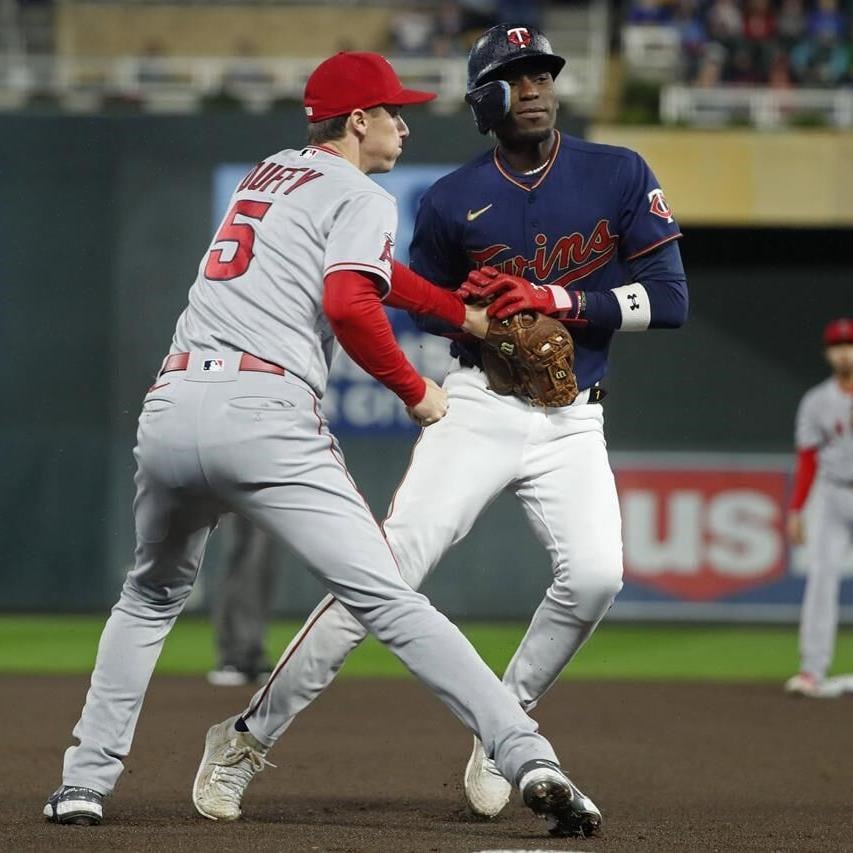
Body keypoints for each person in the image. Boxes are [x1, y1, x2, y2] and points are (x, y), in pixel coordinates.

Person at [43, 51, 594, 839]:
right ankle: (525, 751)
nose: (403, 123)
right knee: (389, 599)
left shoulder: (268, 174)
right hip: (264, 414)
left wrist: (463, 318)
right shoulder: (361, 191)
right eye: (392, 111)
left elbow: (374, 277)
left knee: (149, 596)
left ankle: (82, 783)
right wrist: (414, 387)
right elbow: (348, 300)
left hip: (171, 407)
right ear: (358, 121)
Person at [199, 23, 688, 826]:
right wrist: (480, 317)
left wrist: (557, 300)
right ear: (483, 100)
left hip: (573, 420)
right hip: (480, 407)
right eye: (514, 77)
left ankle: (503, 725)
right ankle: (249, 734)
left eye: (542, 75)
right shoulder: (452, 198)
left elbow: (669, 302)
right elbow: (414, 304)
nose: (533, 88)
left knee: (597, 576)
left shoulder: (617, 171)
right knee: (382, 575)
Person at [785, 318, 853, 699]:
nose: (844, 352)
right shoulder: (816, 400)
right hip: (832, 493)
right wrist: (797, 509)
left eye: (849, 345)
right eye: (837, 346)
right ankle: (812, 670)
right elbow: (808, 458)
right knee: (822, 579)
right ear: (829, 354)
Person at [207, 514, 277, 686]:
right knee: (242, 556)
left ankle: (254, 653)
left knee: (264, 564)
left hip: (276, 490)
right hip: (240, 490)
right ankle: (233, 656)